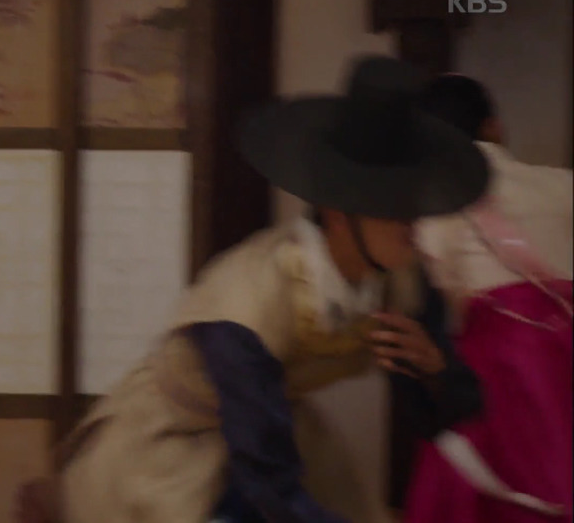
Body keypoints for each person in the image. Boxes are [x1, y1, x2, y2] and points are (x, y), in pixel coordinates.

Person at [54, 56, 491, 523]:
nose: (414, 220)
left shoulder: (402, 279)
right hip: (169, 447)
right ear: (338, 211)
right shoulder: (249, 297)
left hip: (273, 434)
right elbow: (267, 479)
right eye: (393, 204)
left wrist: (436, 370)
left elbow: (443, 415)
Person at [404, 74, 573, 523]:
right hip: (566, 351)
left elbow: (444, 287)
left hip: (492, 359)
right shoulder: (562, 186)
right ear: (493, 126)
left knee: (489, 489)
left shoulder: (439, 203)